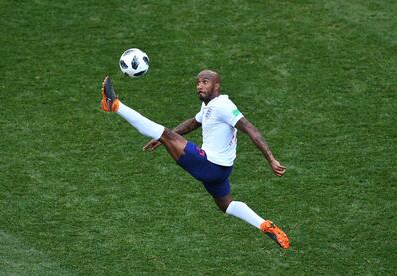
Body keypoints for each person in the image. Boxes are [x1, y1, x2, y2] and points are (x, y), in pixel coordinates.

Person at [100, 70, 290, 249]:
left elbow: (252, 130)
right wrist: (165, 140)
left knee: (164, 133)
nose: (199, 86)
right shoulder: (209, 105)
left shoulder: (224, 106)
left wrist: (271, 159)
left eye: (205, 82)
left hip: (210, 165)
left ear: (217, 86)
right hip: (221, 172)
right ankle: (264, 224)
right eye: (198, 82)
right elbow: (193, 122)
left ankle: (115, 105)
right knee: (227, 205)